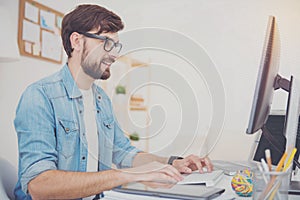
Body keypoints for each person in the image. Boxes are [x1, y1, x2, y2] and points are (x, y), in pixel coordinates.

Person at [14, 4, 213, 200]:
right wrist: (126, 176)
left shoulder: (101, 100)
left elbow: (124, 153)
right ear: (77, 41)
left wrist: (172, 162)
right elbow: (39, 185)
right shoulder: (40, 97)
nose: (115, 54)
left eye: (116, 45)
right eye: (107, 43)